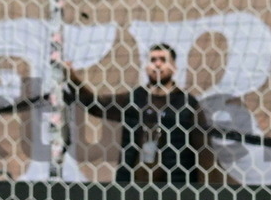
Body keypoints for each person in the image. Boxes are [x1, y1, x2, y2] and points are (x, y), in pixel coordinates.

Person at [66, 43, 216, 184]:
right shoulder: (134, 99)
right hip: (134, 186)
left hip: (175, 186)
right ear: (146, 66)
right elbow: (96, 106)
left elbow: (203, 150)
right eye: (153, 60)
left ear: (174, 67)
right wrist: (72, 78)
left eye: (163, 60)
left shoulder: (187, 104)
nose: (157, 64)